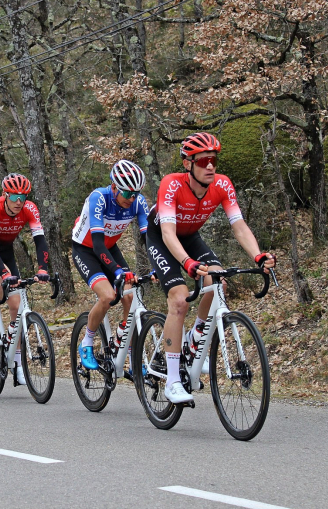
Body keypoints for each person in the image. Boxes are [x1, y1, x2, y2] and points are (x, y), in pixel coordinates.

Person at [145, 132, 276, 404]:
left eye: (213, 160)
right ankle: (172, 380)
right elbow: (169, 234)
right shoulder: (171, 185)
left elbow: (239, 226)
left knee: (218, 283)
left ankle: (194, 339)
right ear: (187, 164)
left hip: (190, 236)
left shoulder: (223, 185)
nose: (210, 166)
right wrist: (187, 264)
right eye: (203, 161)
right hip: (162, 236)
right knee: (180, 300)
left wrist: (258, 256)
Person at [0, 173, 51, 385]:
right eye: (14, 196)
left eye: (23, 197)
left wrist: (42, 268)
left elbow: (40, 240)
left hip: (6, 251)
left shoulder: (30, 209)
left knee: (16, 304)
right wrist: (4, 273)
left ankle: (17, 363)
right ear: (5, 194)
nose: (18, 202)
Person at [71, 160, 149, 372]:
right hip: (86, 249)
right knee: (107, 296)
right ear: (114, 186)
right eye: (127, 193)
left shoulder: (137, 202)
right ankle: (86, 342)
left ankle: (128, 349)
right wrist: (117, 271)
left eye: (136, 193)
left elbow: (149, 239)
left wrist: (160, 265)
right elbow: (97, 245)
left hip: (110, 247)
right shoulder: (99, 198)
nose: (131, 198)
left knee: (130, 297)